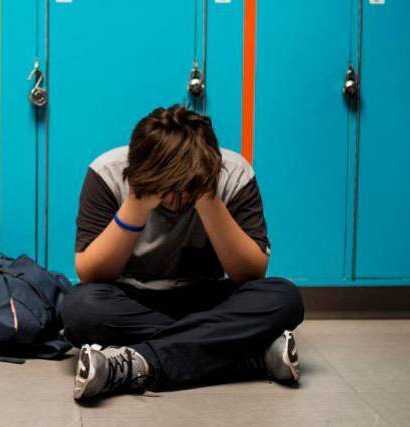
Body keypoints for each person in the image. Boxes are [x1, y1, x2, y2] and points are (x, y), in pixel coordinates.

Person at [62, 104, 304, 401]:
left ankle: (131, 363)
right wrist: (137, 205)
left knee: (284, 298)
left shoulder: (234, 174)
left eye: (185, 188)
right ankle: (243, 352)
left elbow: (250, 273)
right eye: (168, 187)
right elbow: (91, 272)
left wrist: (207, 200)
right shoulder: (107, 173)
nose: (177, 200)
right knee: (80, 309)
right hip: (131, 299)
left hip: (204, 298)